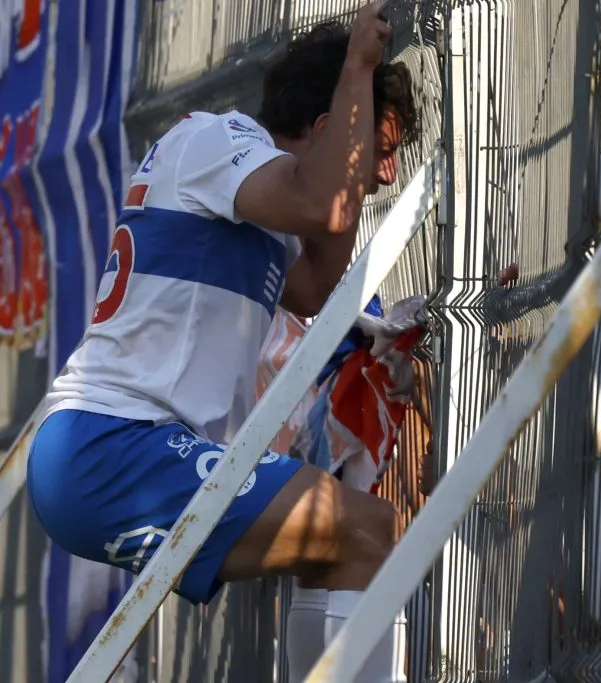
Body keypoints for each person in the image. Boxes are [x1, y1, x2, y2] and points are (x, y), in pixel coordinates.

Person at [26, 4, 420, 682]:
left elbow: (320, 287)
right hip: (109, 443)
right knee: (367, 528)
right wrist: (358, 69)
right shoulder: (216, 137)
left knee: (341, 544)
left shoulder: (256, 205)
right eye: (380, 152)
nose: (385, 175)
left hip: (111, 447)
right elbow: (322, 203)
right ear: (328, 127)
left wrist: (349, 160)